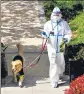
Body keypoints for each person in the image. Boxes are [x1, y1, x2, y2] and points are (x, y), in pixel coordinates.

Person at [41, 7, 72, 88]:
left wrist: (66, 38)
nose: (56, 16)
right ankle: (54, 80)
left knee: (61, 62)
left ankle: (60, 73)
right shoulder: (48, 24)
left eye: (58, 14)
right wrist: (45, 35)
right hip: (51, 46)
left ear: (60, 15)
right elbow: (44, 33)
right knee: (53, 62)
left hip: (61, 46)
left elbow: (68, 33)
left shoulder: (64, 23)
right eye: (55, 14)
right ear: (52, 14)